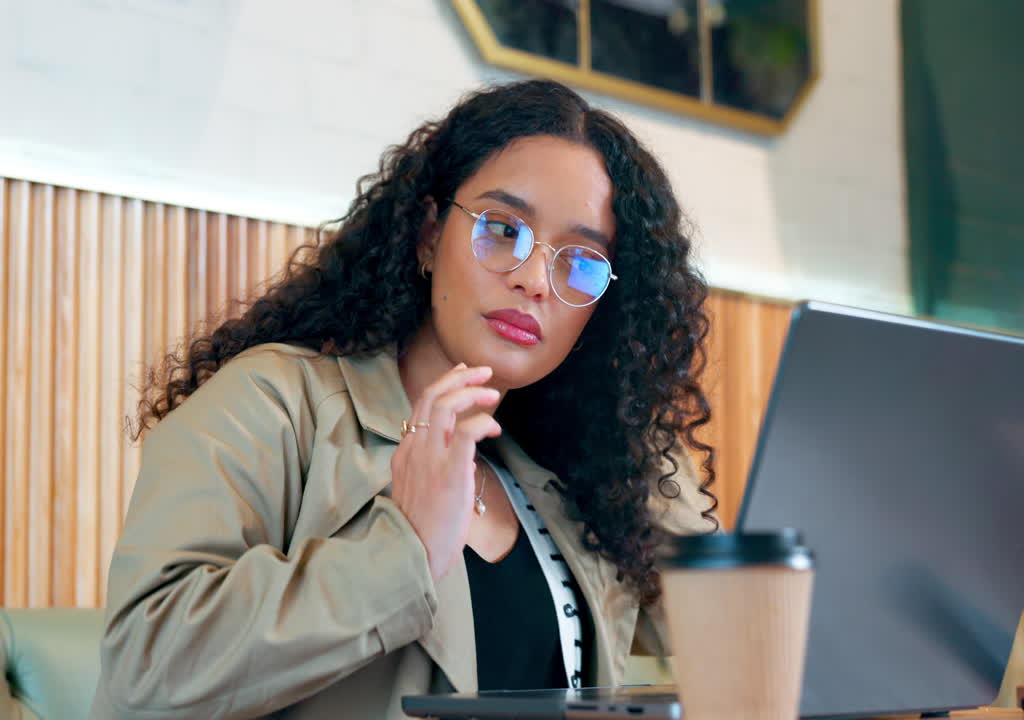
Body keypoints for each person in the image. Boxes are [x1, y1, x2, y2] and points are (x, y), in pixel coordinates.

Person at [89, 79, 718, 720]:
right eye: (503, 229)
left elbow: (728, 644)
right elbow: (147, 667)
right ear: (426, 235)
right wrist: (404, 548)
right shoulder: (274, 402)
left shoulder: (568, 481)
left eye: (580, 263)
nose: (534, 279)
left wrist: (632, 419)